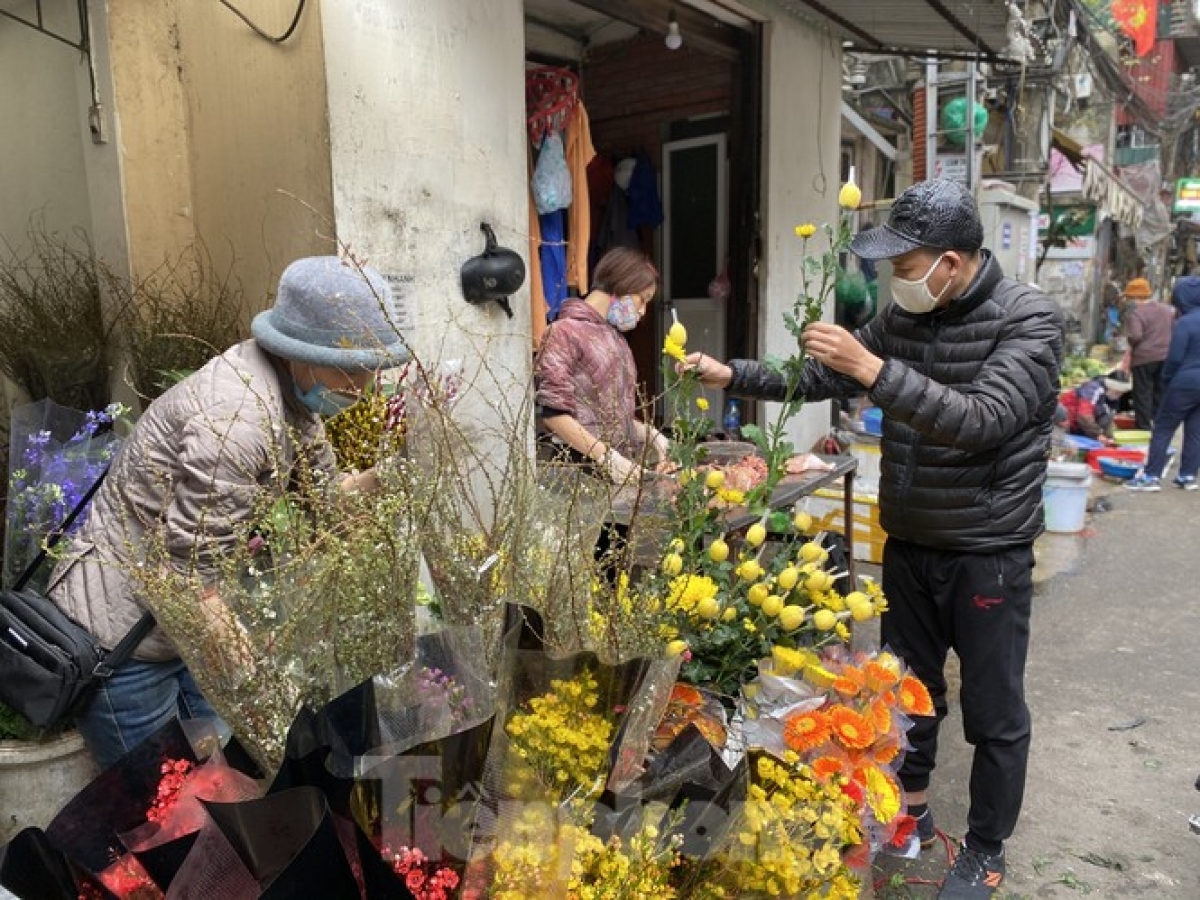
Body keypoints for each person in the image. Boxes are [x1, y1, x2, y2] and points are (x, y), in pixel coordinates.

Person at [683, 179, 1063, 899]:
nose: (896, 279)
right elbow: (820, 373)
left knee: (994, 712)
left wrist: (874, 371)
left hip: (986, 551)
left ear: (950, 262)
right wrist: (729, 373)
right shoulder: (902, 318)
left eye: (904, 264)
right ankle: (908, 816)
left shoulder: (1029, 321)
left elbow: (982, 419)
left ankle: (984, 849)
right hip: (911, 542)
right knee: (907, 693)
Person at [48, 255, 405, 767]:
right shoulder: (237, 422)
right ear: (299, 351)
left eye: (372, 370)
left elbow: (327, 499)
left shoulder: (292, 400)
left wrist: (389, 474)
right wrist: (263, 687)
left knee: (216, 780)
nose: (363, 387)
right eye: (351, 369)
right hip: (124, 645)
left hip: (178, 633)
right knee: (162, 814)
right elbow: (190, 580)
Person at [535, 246, 670, 483]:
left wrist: (649, 434)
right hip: (577, 474)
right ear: (623, 286)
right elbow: (554, 415)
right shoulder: (563, 332)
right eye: (643, 299)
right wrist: (608, 459)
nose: (643, 311)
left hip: (617, 473)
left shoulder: (616, 339)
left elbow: (609, 415)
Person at [1124, 275, 1200, 491]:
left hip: (1185, 380)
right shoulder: (1175, 316)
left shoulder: (1185, 322)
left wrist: (1167, 379)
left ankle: (1151, 477)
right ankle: (1187, 476)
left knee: (1163, 427)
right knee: (1195, 430)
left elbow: (1175, 357)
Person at [1121, 277, 1176, 429]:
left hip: (1144, 359)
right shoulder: (1167, 310)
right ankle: (1159, 425)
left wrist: (1130, 341)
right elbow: (1174, 329)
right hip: (1165, 357)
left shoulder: (1137, 314)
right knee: (1160, 392)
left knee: (1142, 393)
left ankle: (1144, 427)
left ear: (1133, 297)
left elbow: (1136, 336)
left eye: (1129, 297)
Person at [1055, 370, 1131, 440]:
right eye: (1118, 392)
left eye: (1121, 393)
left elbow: (1107, 417)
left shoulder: (1112, 395)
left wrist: (1113, 436)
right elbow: (1084, 416)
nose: (1120, 395)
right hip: (1066, 423)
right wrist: (1098, 435)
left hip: (1082, 425)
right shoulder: (1092, 389)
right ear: (1111, 386)